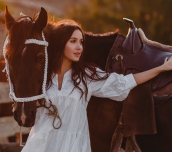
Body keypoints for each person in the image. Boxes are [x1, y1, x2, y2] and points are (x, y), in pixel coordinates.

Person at [21, 19, 172, 152]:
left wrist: (160, 69)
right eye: (73, 41)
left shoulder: (85, 76)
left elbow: (125, 82)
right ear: (61, 43)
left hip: (74, 147)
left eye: (81, 42)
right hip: (40, 146)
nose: (79, 47)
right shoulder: (44, 78)